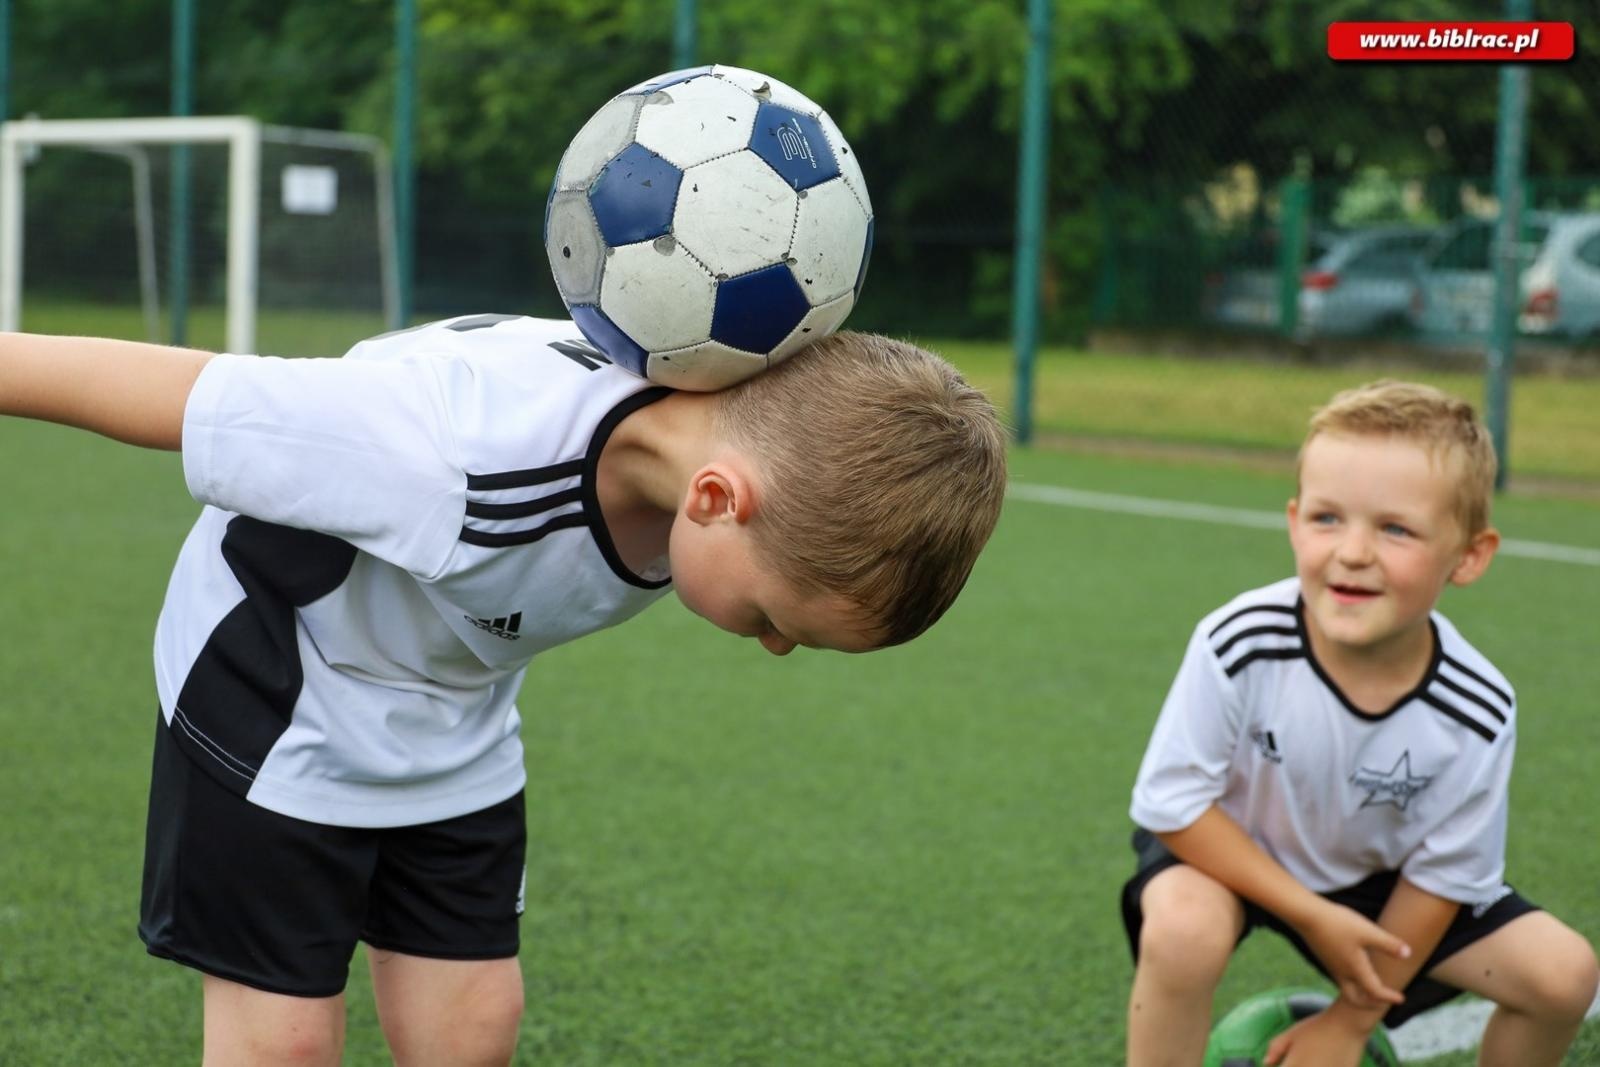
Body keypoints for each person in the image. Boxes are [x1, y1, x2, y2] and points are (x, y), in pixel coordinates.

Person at [0, 317, 1007, 1066]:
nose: (776, 647)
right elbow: (187, 393)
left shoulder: (735, 445)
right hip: (278, 690)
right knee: (285, 1044)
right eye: (771, 618)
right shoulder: (451, 454)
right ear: (715, 499)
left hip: (454, 714)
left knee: (473, 1027)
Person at [1120, 380, 1598, 1067]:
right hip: (1232, 849)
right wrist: (1313, 914)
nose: (1352, 551)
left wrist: (1350, 1021)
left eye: (1395, 528)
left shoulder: (1477, 706)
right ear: (1292, 521)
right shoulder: (1239, 641)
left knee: (1565, 976)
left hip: (1385, 879)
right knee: (1184, 932)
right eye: (1326, 518)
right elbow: (1172, 804)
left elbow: (1445, 876)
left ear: (1469, 555)